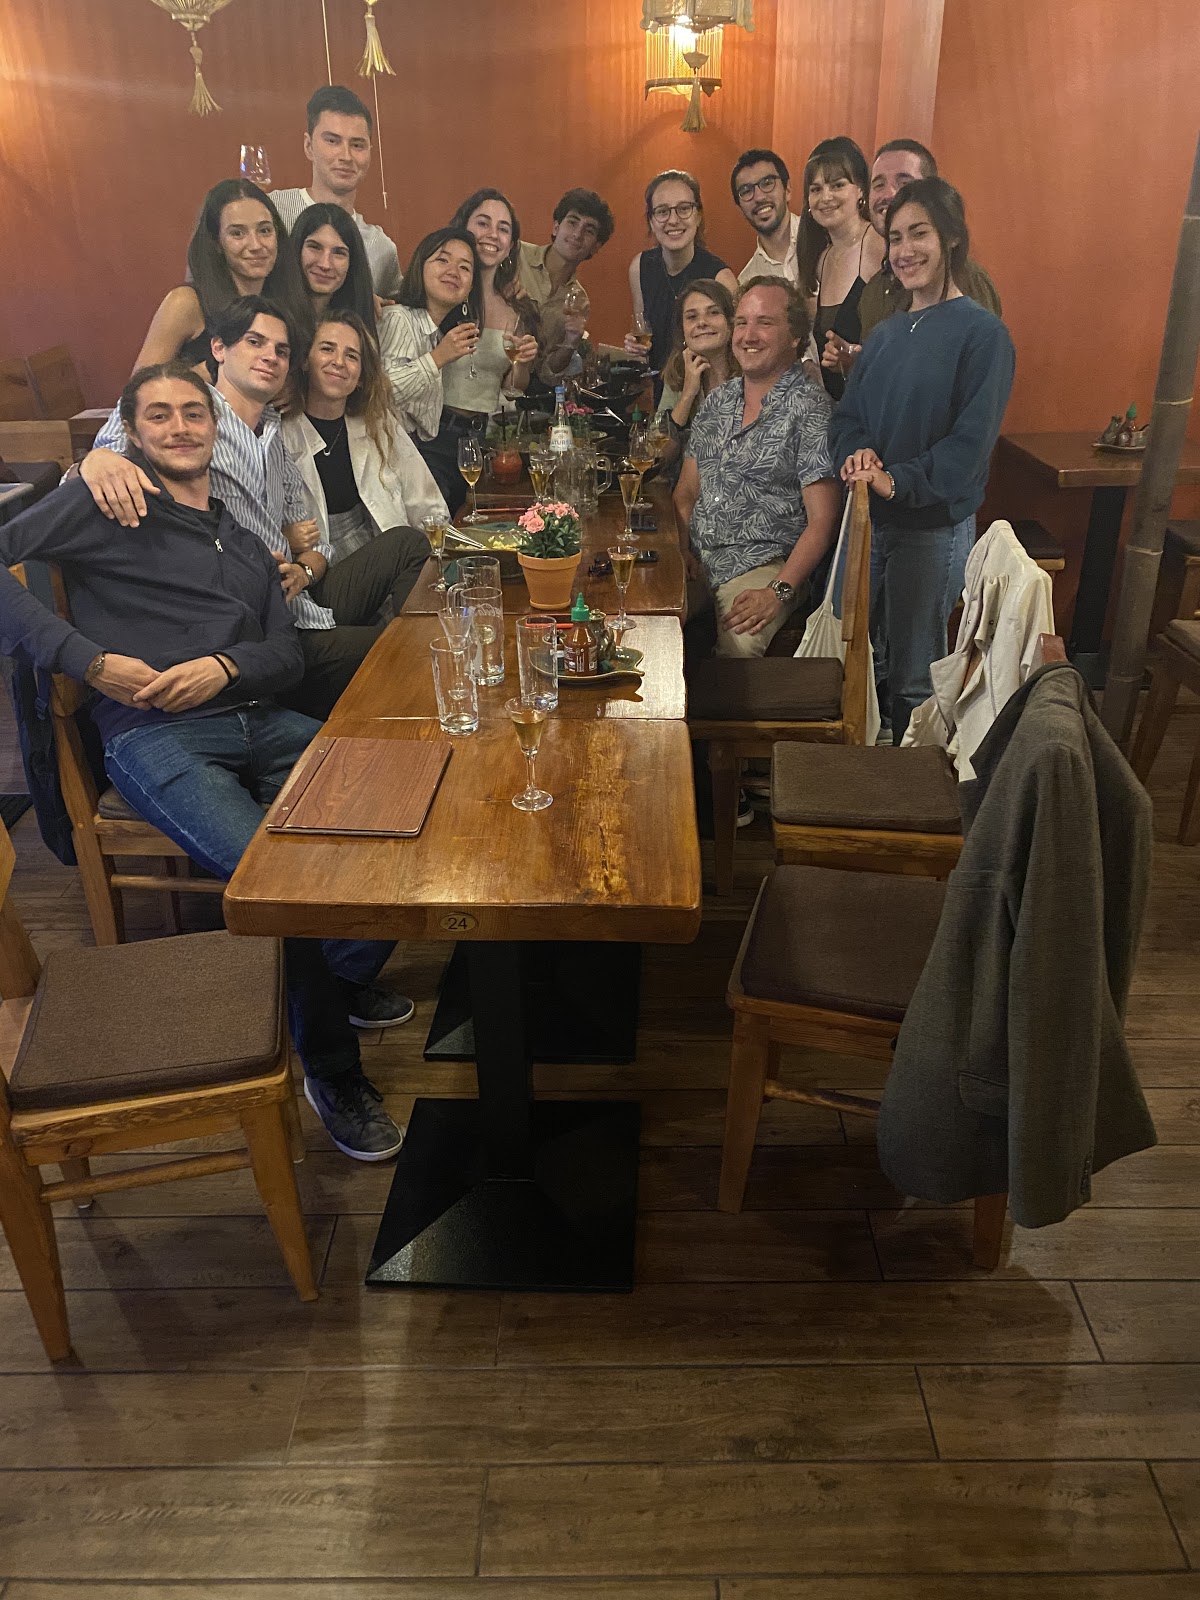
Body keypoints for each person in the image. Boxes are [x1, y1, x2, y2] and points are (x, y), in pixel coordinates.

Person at [0, 362, 410, 1161]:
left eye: (194, 412)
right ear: (131, 431)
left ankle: (340, 975)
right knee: (278, 881)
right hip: (155, 735)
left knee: (403, 801)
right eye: (158, 414)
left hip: (259, 717)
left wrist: (226, 667)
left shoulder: (245, 543)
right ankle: (333, 1073)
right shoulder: (105, 503)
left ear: (215, 429)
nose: (180, 426)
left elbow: (285, 655)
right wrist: (88, 661)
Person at [83, 297, 430, 720]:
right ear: (218, 348)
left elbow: (318, 542)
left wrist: (304, 570)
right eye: (254, 342)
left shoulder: (272, 433)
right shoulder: (190, 419)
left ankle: (387, 687)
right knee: (405, 650)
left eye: (281, 350)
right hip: (252, 628)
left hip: (295, 600)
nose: (270, 356)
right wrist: (94, 460)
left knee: (408, 544)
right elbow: (109, 451)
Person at [832, 177, 1015, 743]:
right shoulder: (885, 335)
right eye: (895, 238)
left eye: (920, 234)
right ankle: (858, 780)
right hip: (866, 522)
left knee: (915, 681)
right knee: (855, 666)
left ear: (951, 239)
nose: (905, 250)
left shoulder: (983, 336)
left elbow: (968, 448)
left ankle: (913, 790)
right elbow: (847, 417)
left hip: (930, 528)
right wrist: (857, 454)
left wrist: (896, 480)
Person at [674, 277, 840, 658]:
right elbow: (685, 493)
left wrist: (777, 592)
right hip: (699, 563)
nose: (748, 335)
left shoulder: (812, 409)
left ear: (794, 336)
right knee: (645, 616)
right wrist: (680, 552)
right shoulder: (718, 401)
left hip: (761, 566)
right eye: (742, 322)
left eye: (764, 323)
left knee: (739, 644)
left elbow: (823, 523)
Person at [133, 179, 307, 372]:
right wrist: (216, 368)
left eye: (265, 230)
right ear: (216, 242)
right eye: (238, 233)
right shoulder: (186, 302)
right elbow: (141, 385)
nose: (256, 245)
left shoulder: (289, 304)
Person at [378, 228, 484, 513]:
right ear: (420, 267)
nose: (453, 271)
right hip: (388, 466)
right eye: (442, 260)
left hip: (412, 457)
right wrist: (437, 358)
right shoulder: (399, 319)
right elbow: (382, 393)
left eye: (465, 267)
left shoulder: (435, 334)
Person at [856, 138, 1002, 342]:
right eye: (879, 185)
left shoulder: (965, 281)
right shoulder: (874, 290)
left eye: (904, 184)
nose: (889, 194)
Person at [271, 84, 402, 299]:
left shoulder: (381, 248)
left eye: (357, 145)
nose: (346, 156)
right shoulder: (271, 213)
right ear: (308, 146)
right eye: (332, 141)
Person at [626, 170, 739, 402]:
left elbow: (734, 357)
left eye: (684, 208)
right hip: (664, 396)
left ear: (698, 216)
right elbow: (643, 331)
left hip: (710, 398)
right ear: (651, 221)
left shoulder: (722, 279)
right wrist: (637, 348)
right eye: (662, 211)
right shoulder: (640, 267)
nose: (673, 220)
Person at [796, 137, 886, 401]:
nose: (825, 197)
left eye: (837, 185)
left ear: (860, 191)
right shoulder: (823, 259)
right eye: (816, 189)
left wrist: (855, 357)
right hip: (838, 408)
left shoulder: (877, 246)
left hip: (875, 403)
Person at [517, 187, 615, 386]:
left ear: (595, 247)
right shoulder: (517, 256)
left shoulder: (580, 301)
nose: (578, 234)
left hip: (523, 388)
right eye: (572, 222)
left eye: (589, 230)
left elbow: (547, 373)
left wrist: (571, 342)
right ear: (556, 227)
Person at [654, 280, 738, 486]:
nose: (702, 322)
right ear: (683, 331)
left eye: (713, 313)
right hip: (688, 492)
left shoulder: (750, 374)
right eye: (692, 317)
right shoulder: (677, 374)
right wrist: (688, 395)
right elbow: (657, 456)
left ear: (731, 323)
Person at [290, 202, 378, 342]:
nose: (325, 264)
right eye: (315, 247)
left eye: (339, 253)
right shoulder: (270, 317)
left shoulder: (359, 324)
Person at [731, 148, 799, 286]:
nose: (759, 197)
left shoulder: (824, 239)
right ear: (740, 208)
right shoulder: (748, 283)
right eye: (746, 191)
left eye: (767, 183)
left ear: (787, 190)